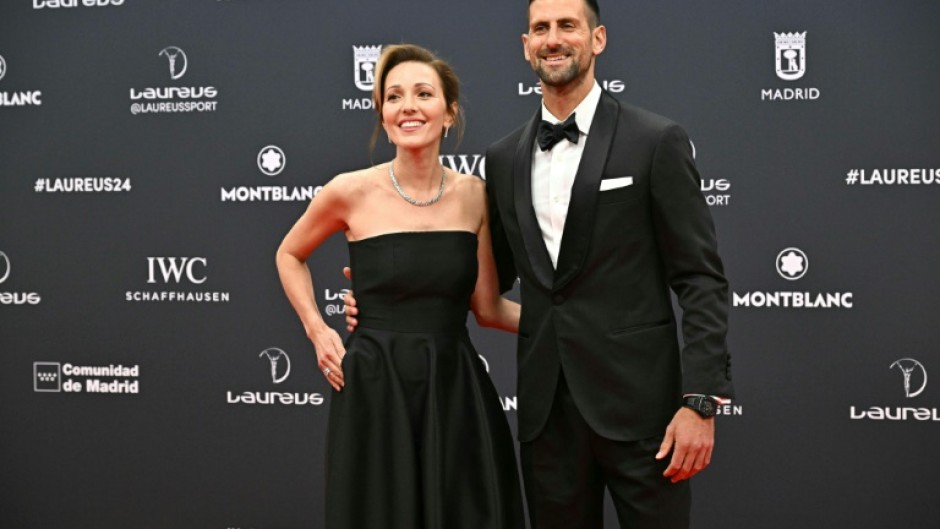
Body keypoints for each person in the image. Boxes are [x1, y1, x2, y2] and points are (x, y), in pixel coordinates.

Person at [346, 1, 734, 528]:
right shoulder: (503, 159)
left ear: (597, 39)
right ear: (526, 46)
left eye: (567, 26)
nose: (553, 39)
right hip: (546, 419)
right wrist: (389, 296)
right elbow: (485, 280)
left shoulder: (654, 141)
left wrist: (701, 401)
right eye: (540, 29)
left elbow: (701, 278)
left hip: (645, 413)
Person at [276, 44, 525, 529]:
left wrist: (574, 323)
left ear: (449, 112)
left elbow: (489, 308)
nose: (407, 106)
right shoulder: (349, 190)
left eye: (423, 93)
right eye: (394, 97)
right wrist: (317, 329)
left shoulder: (475, 195)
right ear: (383, 116)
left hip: (454, 388)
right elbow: (289, 254)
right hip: (375, 386)